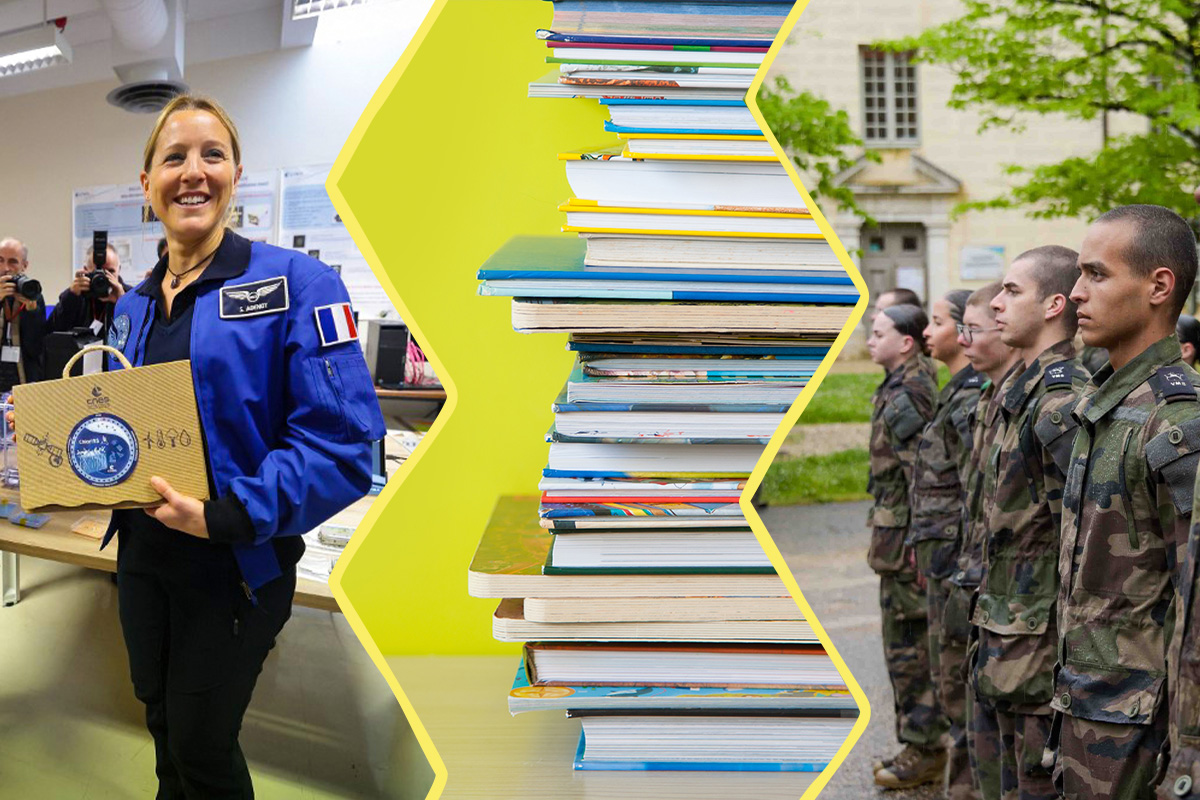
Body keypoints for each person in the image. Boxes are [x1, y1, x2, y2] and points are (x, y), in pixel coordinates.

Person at [98, 94, 385, 798]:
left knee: (202, 746)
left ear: (236, 175)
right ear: (147, 185)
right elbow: (123, 423)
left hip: (234, 566)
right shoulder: (133, 305)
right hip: (141, 560)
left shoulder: (295, 284)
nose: (193, 172)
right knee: (161, 721)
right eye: (173, 157)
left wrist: (222, 513)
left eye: (212, 154)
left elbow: (347, 446)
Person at [1051, 205, 1200, 800]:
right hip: (1093, 710)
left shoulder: (1177, 425)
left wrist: (1189, 754)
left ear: (1158, 286)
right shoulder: (1109, 409)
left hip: (1143, 733)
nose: (1075, 292)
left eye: (1096, 275)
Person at [967, 246, 1088, 800]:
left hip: (1042, 655)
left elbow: (1083, 535)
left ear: (1052, 305)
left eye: (1012, 292)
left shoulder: (1059, 403)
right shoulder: (1024, 390)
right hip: (1010, 637)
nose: (996, 303)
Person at [879, 290, 982, 793]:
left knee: (932, 661)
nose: (927, 333)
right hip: (923, 546)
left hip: (934, 553)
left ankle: (928, 749)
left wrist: (923, 545)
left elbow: (945, 481)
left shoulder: (951, 395)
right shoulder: (947, 390)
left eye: (937, 322)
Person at [866, 303, 943, 788]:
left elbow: (924, 474)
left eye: (879, 333)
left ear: (906, 342)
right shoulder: (901, 384)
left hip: (905, 545)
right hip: (897, 539)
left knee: (910, 651)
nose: (870, 340)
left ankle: (926, 750)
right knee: (908, 646)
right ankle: (922, 743)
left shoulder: (907, 394)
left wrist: (920, 542)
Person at [950, 282, 1021, 800]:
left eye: (970, 329)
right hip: (989, 598)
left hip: (1023, 619)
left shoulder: (1049, 403)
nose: (960, 339)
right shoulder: (993, 397)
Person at [48, 242, 131, 335]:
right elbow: (52, 332)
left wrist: (123, 302)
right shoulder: (77, 294)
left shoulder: (131, 295)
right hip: (82, 349)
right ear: (85, 270)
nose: (104, 278)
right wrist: (70, 298)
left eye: (110, 271)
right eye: (98, 272)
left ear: (119, 269)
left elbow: (140, 335)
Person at [0, 237, 46, 393]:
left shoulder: (33, 293)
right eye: (0, 260)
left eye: (12, 261)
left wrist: (32, 311)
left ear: (24, 266)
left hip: (23, 379)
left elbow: (35, 348)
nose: (5, 268)